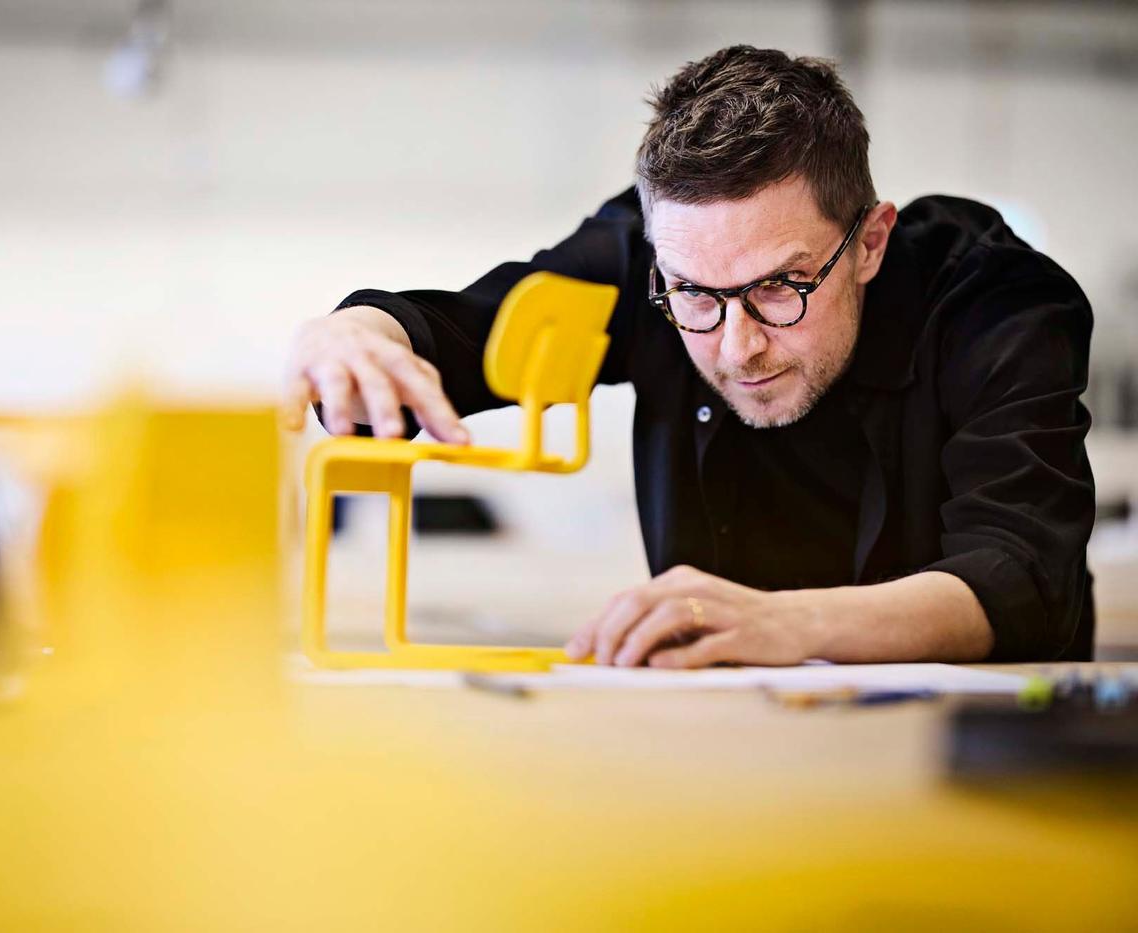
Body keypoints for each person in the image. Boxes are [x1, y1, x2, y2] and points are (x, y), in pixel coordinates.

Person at [282, 45, 1096, 668]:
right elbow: (468, 330)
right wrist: (359, 331)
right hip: (718, 729)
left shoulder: (997, 302)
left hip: (971, 752)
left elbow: (1021, 576)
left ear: (870, 242)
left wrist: (782, 622)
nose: (737, 346)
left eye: (782, 286)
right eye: (695, 295)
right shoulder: (647, 258)